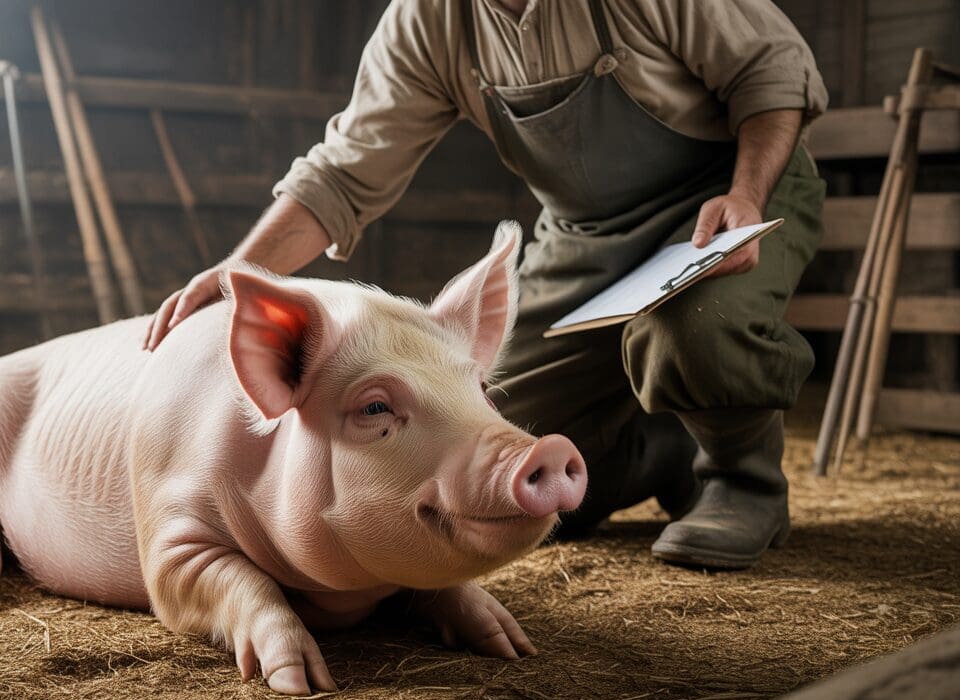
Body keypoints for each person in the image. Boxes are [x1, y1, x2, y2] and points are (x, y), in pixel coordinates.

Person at [144, 0, 827, 570]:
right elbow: (346, 173)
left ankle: (743, 483)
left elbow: (769, 74)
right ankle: (659, 455)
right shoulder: (426, 21)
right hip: (587, 233)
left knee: (694, 327)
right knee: (496, 425)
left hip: (723, 202)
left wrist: (747, 193)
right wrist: (242, 271)